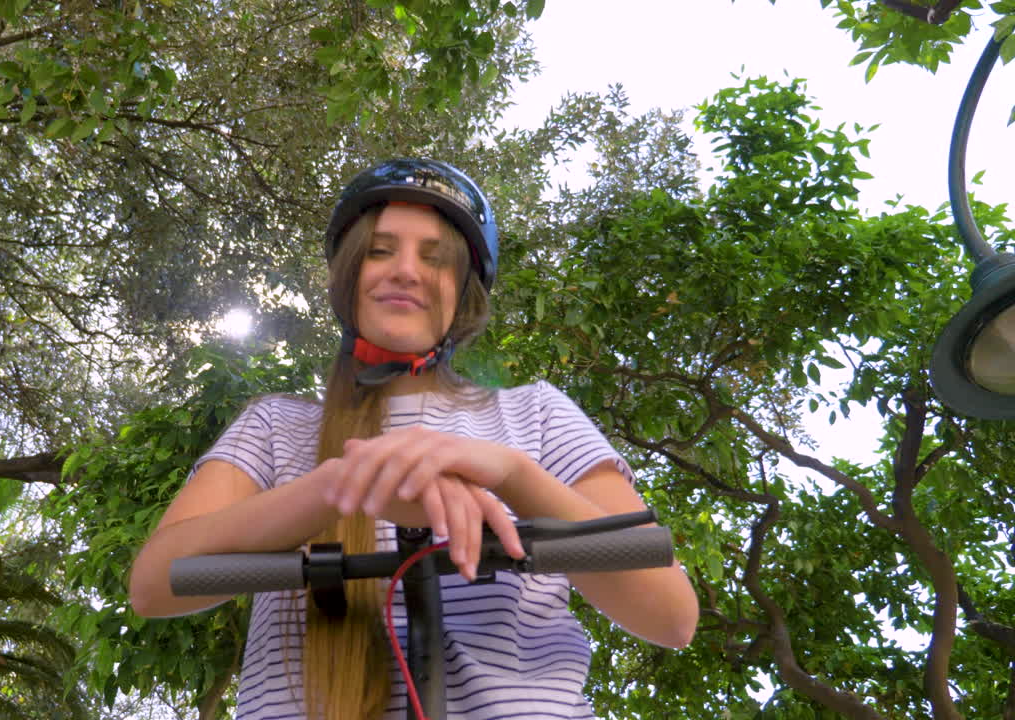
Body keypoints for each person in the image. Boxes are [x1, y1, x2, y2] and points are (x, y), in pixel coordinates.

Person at [129, 159, 698, 720]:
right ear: (349, 274)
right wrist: (335, 489)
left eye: (436, 259)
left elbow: (671, 616)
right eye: (380, 250)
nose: (404, 271)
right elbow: (154, 585)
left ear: (464, 294)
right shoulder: (276, 426)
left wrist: (510, 474)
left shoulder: (538, 414)